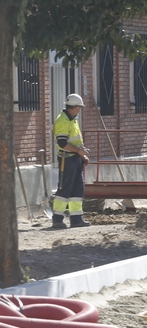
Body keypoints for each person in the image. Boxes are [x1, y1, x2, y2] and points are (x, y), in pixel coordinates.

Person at [52, 93, 90, 229]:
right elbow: (62, 143)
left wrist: (82, 154)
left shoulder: (72, 120)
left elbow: (75, 142)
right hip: (66, 159)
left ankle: (76, 218)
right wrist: (80, 151)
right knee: (64, 188)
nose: (79, 110)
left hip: (74, 159)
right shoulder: (63, 121)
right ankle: (57, 219)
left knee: (78, 188)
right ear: (72, 107)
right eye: (78, 107)